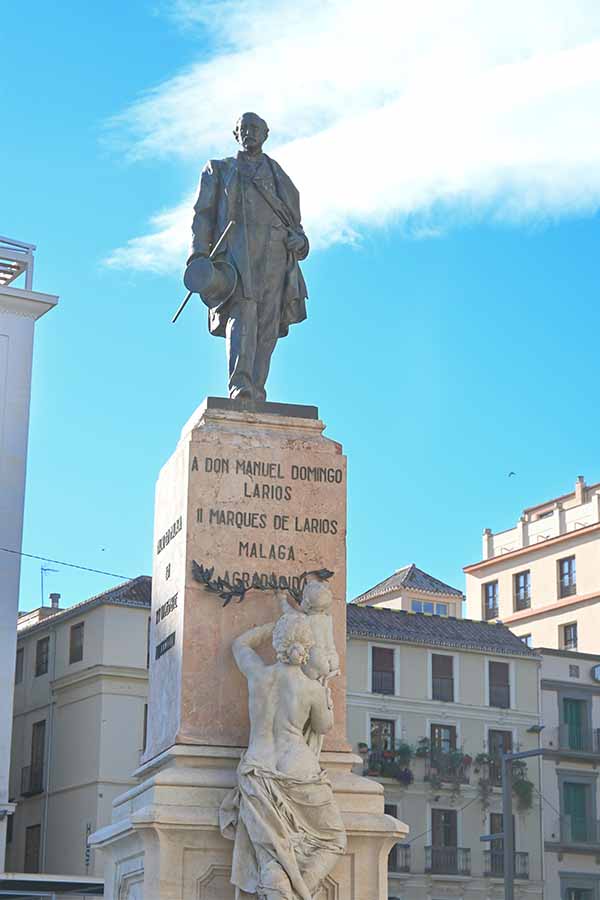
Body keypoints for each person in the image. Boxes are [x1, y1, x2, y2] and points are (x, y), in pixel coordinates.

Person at [219, 614, 346, 899]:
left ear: (279, 643)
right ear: (307, 648)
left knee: (272, 848)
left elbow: (240, 643)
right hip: (298, 768)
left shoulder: (258, 675)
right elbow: (323, 726)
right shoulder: (312, 689)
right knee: (335, 839)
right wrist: (326, 694)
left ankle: (279, 884)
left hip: (258, 768)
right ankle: (299, 887)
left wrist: (273, 626)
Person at [189, 112, 309, 402]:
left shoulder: (278, 175)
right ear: (235, 134)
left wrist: (300, 242)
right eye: (243, 128)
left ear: (266, 134)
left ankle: (257, 388)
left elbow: (297, 226)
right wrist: (198, 256)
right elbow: (202, 215)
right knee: (243, 313)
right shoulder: (219, 170)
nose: (249, 133)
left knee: (268, 321)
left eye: (255, 128)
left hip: (275, 252)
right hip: (237, 250)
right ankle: (240, 386)